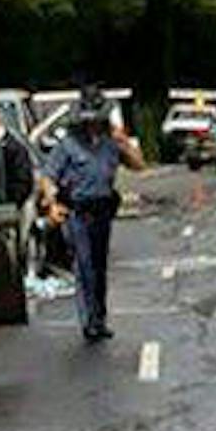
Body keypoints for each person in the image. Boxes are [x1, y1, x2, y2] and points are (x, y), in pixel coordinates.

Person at [40, 87, 146, 342]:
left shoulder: (111, 142)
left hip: (103, 211)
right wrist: (52, 204)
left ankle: (99, 317)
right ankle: (89, 321)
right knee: (84, 265)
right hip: (77, 211)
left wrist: (124, 143)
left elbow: (139, 165)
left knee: (99, 268)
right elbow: (48, 177)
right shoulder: (69, 143)